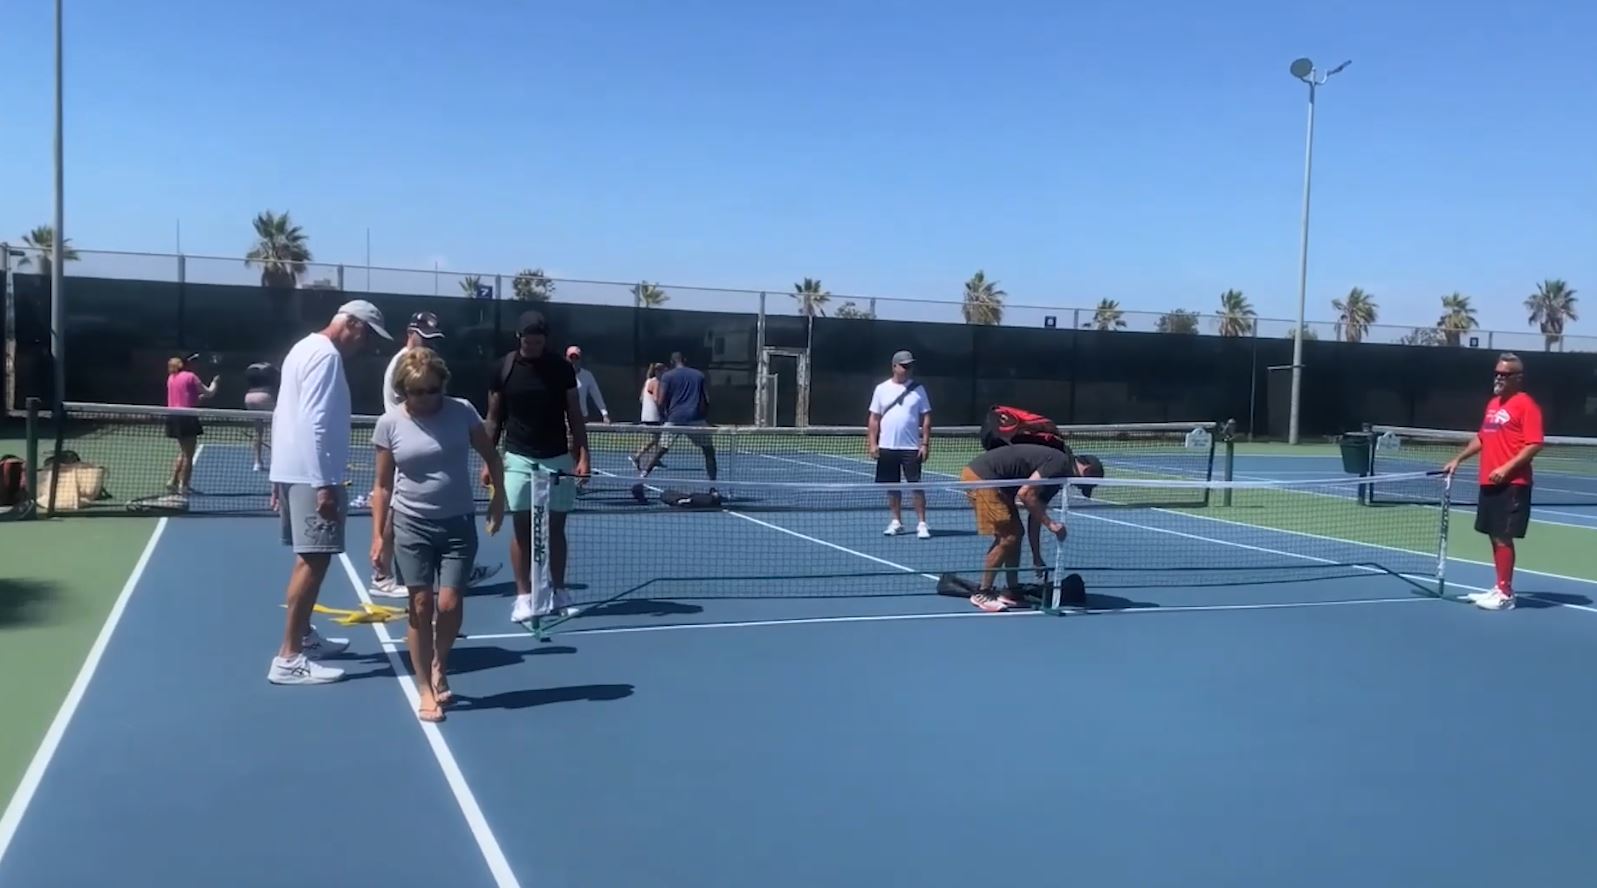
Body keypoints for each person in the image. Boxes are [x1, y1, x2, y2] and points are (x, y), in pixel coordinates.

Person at [371, 347, 505, 721]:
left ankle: (439, 664)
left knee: (448, 604)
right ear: (404, 391)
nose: (427, 398)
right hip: (411, 523)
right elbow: (381, 487)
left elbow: (491, 457)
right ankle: (426, 688)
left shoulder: (462, 411)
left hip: (458, 522)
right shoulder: (390, 424)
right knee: (419, 604)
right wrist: (379, 538)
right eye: (418, 392)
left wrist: (498, 499)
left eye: (433, 390)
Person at [267, 300, 393, 685]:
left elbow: (284, 413)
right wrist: (324, 484)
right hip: (311, 477)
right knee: (313, 561)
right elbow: (316, 422)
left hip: (295, 473)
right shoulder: (325, 357)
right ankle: (288, 658)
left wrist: (278, 474)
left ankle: (302, 638)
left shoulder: (302, 349)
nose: (367, 343)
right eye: (366, 333)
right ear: (350, 323)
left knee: (307, 560)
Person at [485, 310, 590, 623]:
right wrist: (488, 460)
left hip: (557, 456)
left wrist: (583, 455)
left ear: (546, 340)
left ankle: (558, 592)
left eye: (537, 341)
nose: (531, 346)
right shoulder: (502, 368)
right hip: (517, 457)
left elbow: (574, 414)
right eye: (526, 341)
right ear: (519, 338)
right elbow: (493, 418)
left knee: (556, 528)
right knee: (522, 527)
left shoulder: (561, 369)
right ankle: (523, 597)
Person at [1442, 353, 1544, 612]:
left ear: (1518, 378)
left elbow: (1535, 444)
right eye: (1497, 373)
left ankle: (1506, 594)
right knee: (1493, 535)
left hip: (1513, 483)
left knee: (1502, 537)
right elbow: (1482, 437)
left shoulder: (1526, 405)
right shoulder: (1493, 404)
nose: (1499, 377)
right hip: (1489, 481)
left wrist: (1507, 468)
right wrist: (1458, 459)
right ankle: (1499, 586)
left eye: (1505, 374)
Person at [960, 443, 1101, 612]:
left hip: (999, 485)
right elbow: (1025, 494)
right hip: (983, 478)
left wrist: (1037, 556)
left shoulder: (1058, 478)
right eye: (1083, 485)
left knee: (1016, 534)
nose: (1078, 488)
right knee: (1008, 536)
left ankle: (1011, 591)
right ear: (1087, 470)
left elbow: (1036, 515)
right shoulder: (1059, 462)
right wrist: (1051, 524)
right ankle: (982, 593)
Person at [370, 312, 448, 597]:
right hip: (401, 449)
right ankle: (382, 576)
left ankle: (437, 569)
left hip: (411, 447)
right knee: (393, 511)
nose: (428, 344)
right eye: (423, 338)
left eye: (433, 340)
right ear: (410, 333)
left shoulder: (421, 363)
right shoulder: (406, 365)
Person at [867, 350, 933, 538]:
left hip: (911, 448)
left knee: (916, 485)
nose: (907, 369)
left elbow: (926, 417)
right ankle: (896, 521)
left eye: (910, 366)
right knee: (892, 486)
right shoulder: (881, 389)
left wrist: (925, 444)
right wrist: (873, 443)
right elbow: (874, 418)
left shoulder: (919, 389)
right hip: (887, 447)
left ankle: (922, 523)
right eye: (904, 366)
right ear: (894, 367)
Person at [634, 351, 716, 501]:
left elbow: (660, 401)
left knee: (660, 450)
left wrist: (664, 417)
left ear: (671, 362)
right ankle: (713, 487)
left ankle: (640, 480)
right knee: (709, 451)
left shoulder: (667, 376)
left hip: (674, 418)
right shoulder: (699, 375)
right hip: (695, 418)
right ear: (684, 360)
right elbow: (706, 400)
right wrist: (704, 416)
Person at [164, 353, 220, 496]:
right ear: (185, 364)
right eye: (192, 362)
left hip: (173, 417)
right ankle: (184, 486)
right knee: (189, 455)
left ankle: (173, 481)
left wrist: (196, 398)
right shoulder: (191, 376)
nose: (194, 364)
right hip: (187, 418)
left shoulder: (171, 378)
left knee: (183, 452)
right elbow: (210, 393)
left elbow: (184, 398)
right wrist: (215, 383)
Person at [631, 362, 667, 470]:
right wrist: (662, 411)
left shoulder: (647, 382)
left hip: (646, 414)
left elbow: (641, 398)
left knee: (657, 438)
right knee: (655, 439)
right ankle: (637, 456)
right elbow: (656, 399)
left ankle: (654, 459)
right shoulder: (656, 382)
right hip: (653, 415)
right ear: (658, 372)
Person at [244, 361, 278, 472]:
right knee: (276, 429)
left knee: (258, 431)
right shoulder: (270, 368)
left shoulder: (250, 368)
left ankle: (257, 463)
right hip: (264, 396)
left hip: (249, 397)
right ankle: (275, 462)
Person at [566, 346, 610, 423]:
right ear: (566, 359)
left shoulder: (587, 376)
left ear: (580, 360)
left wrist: (604, 414)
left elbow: (596, 395)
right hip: (565, 418)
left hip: (582, 418)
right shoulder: (559, 374)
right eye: (571, 358)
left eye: (576, 358)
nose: (574, 361)